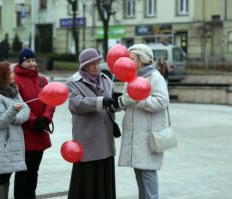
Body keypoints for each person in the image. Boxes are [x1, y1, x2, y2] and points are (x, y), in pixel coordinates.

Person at [117, 44, 170, 199]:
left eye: (132, 59)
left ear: (141, 60)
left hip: (148, 135)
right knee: (139, 172)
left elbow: (162, 101)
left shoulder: (155, 77)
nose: (128, 62)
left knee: (148, 172)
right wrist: (121, 102)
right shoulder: (130, 78)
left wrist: (138, 100)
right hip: (135, 134)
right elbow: (127, 100)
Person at [66, 48, 118, 199]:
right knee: (87, 176)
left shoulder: (106, 79)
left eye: (97, 63)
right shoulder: (73, 82)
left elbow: (111, 105)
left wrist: (117, 102)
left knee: (104, 174)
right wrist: (102, 101)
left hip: (105, 137)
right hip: (87, 137)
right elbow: (76, 104)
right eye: (91, 64)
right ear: (84, 66)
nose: (96, 66)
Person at [0, 62, 30, 199]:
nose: (14, 75)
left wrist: (14, 116)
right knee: (1, 175)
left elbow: (26, 109)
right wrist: (13, 110)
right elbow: (1, 123)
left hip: (13, 139)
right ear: (2, 75)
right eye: (10, 72)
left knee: (8, 173)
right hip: (2, 140)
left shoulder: (12, 90)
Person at [13, 48, 55, 199]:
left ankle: (31, 195)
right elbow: (17, 104)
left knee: (34, 170)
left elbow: (51, 100)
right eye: (27, 60)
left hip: (41, 130)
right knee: (23, 170)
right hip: (25, 132)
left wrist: (46, 117)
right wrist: (33, 120)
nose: (31, 63)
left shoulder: (42, 80)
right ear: (21, 62)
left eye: (33, 60)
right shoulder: (15, 81)